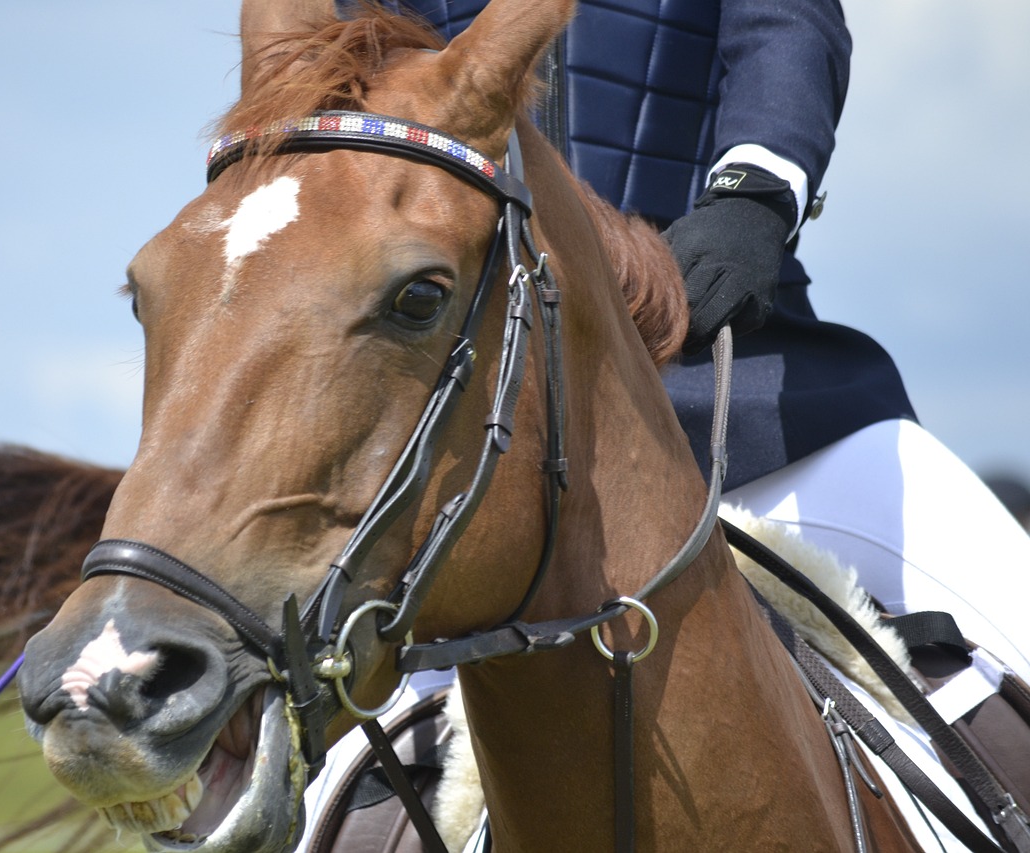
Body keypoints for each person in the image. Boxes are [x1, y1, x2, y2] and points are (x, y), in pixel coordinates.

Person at [301, 0, 1030, 848]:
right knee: (305, 785)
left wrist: (754, 194)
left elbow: (784, 25)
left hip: (754, 386)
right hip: (470, 442)